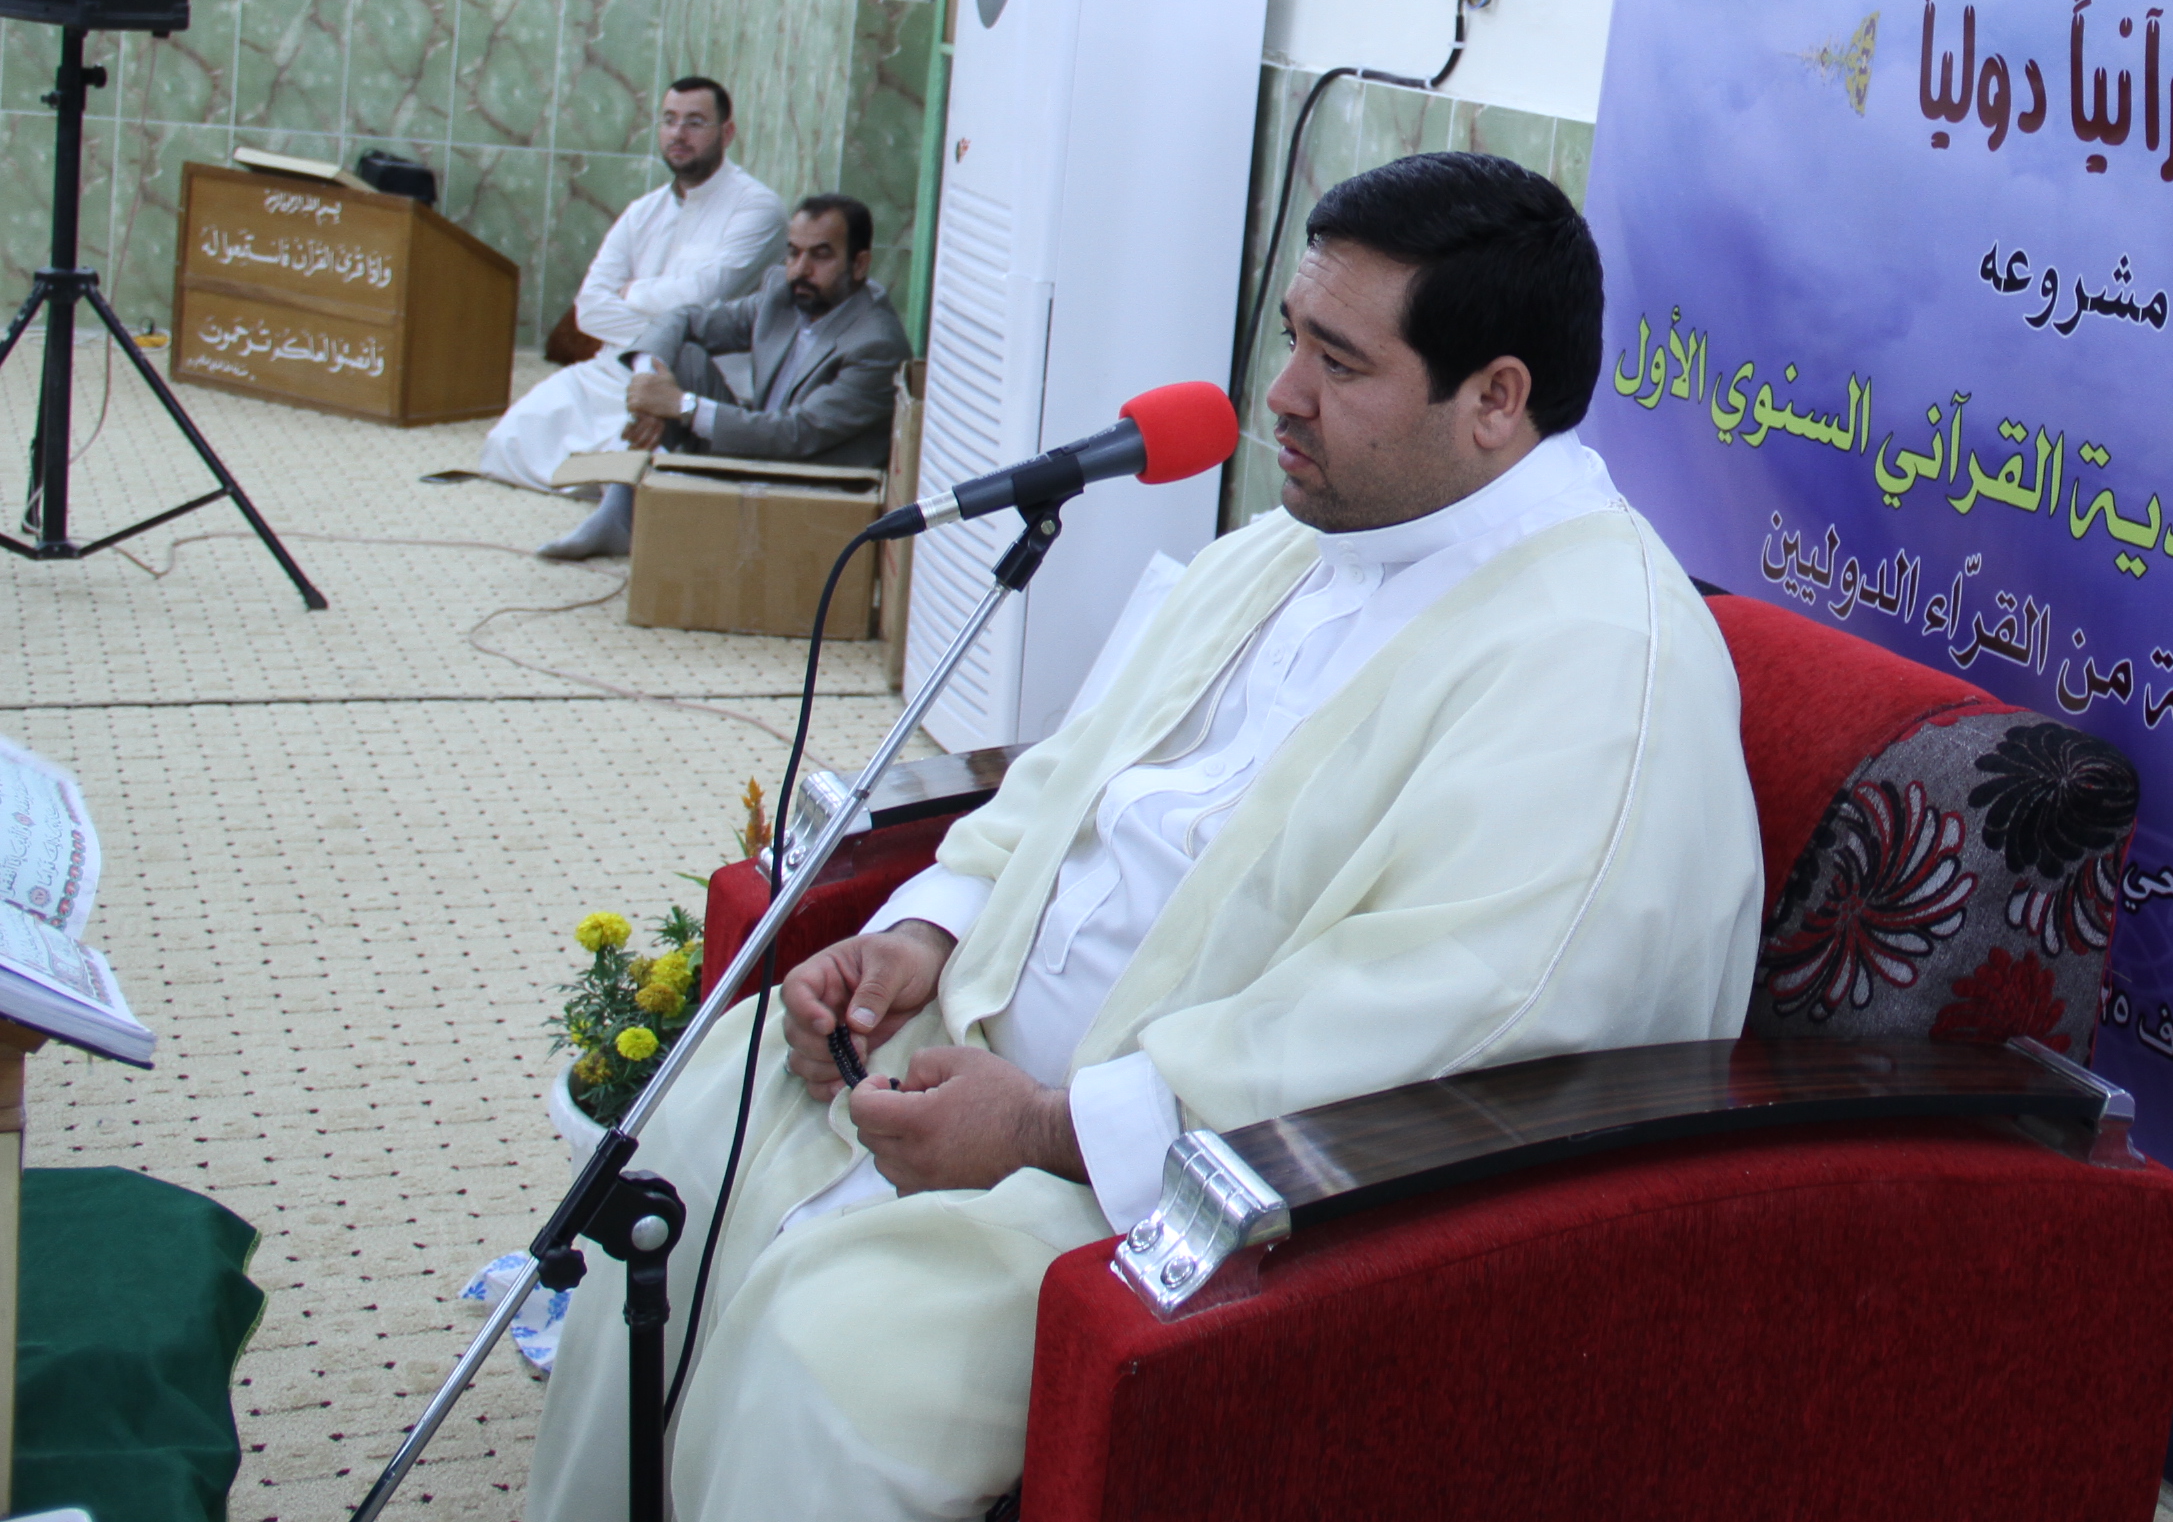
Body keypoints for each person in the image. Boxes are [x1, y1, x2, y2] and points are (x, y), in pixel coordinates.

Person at [524, 154, 1757, 1522]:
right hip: (966, 1047)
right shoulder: (1303, 543)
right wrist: (921, 931)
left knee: (829, 1362)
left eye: (1339, 363)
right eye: (1292, 338)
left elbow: (1452, 1040)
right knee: (685, 1145)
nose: (1280, 395)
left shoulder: (1598, 671)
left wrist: (1046, 1129)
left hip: (1172, 1192)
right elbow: (1071, 777)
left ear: (1495, 399)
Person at [539, 192, 913, 559]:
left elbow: (796, 433)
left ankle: (629, 514)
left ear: (859, 265)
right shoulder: (784, 295)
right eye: (793, 252)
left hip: (808, 483)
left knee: (678, 395)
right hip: (762, 448)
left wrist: (682, 406)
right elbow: (684, 318)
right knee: (679, 356)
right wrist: (649, 384)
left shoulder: (875, 344)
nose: (800, 269)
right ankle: (619, 513)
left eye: (821, 255)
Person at [474, 78, 785, 502]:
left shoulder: (757, 207)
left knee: (635, 472)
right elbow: (589, 308)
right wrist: (657, 329)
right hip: (616, 365)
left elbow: (703, 297)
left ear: (726, 133)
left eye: (695, 122)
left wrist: (632, 292)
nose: (678, 134)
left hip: (694, 376)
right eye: (669, 121)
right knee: (507, 441)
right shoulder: (643, 211)